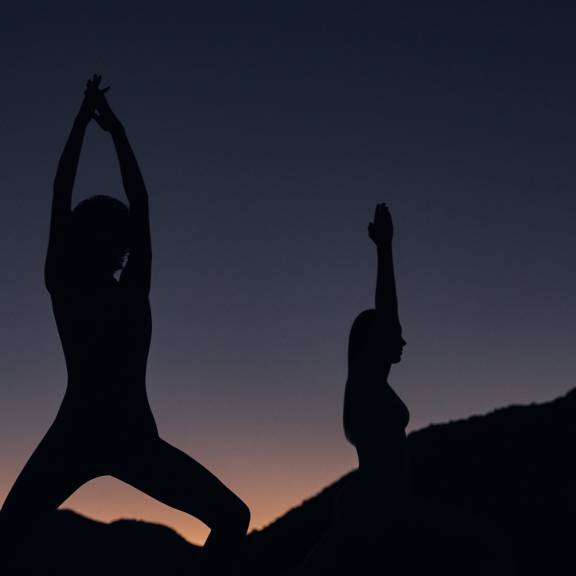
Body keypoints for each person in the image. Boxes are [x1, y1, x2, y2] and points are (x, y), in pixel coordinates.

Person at [0, 75, 249, 569]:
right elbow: (63, 192)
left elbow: (139, 204)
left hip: (126, 437)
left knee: (232, 516)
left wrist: (112, 130)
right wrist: (92, 125)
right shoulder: (69, 284)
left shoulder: (130, 287)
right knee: (5, 538)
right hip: (85, 435)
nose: (109, 239)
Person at [301, 203, 410, 573]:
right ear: (373, 341)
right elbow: (387, 306)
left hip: (384, 500)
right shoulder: (365, 382)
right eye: (394, 332)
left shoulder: (373, 385)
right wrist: (385, 249)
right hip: (376, 502)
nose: (404, 341)